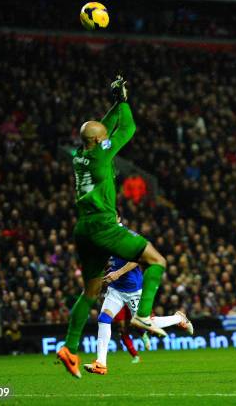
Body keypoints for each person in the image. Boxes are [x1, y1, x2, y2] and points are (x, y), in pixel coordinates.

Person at [57, 76, 169, 378]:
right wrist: (124, 102)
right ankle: (143, 316)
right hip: (104, 226)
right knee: (157, 260)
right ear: (98, 141)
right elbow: (128, 128)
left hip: (83, 228)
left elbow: (99, 129)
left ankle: (70, 348)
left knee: (90, 292)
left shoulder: (80, 155)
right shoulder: (102, 153)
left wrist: (114, 102)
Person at [83, 216, 194, 375]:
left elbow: (138, 258)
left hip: (133, 289)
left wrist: (118, 273)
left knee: (144, 323)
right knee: (103, 319)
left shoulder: (126, 236)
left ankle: (179, 319)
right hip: (116, 289)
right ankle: (101, 363)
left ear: (118, 218)